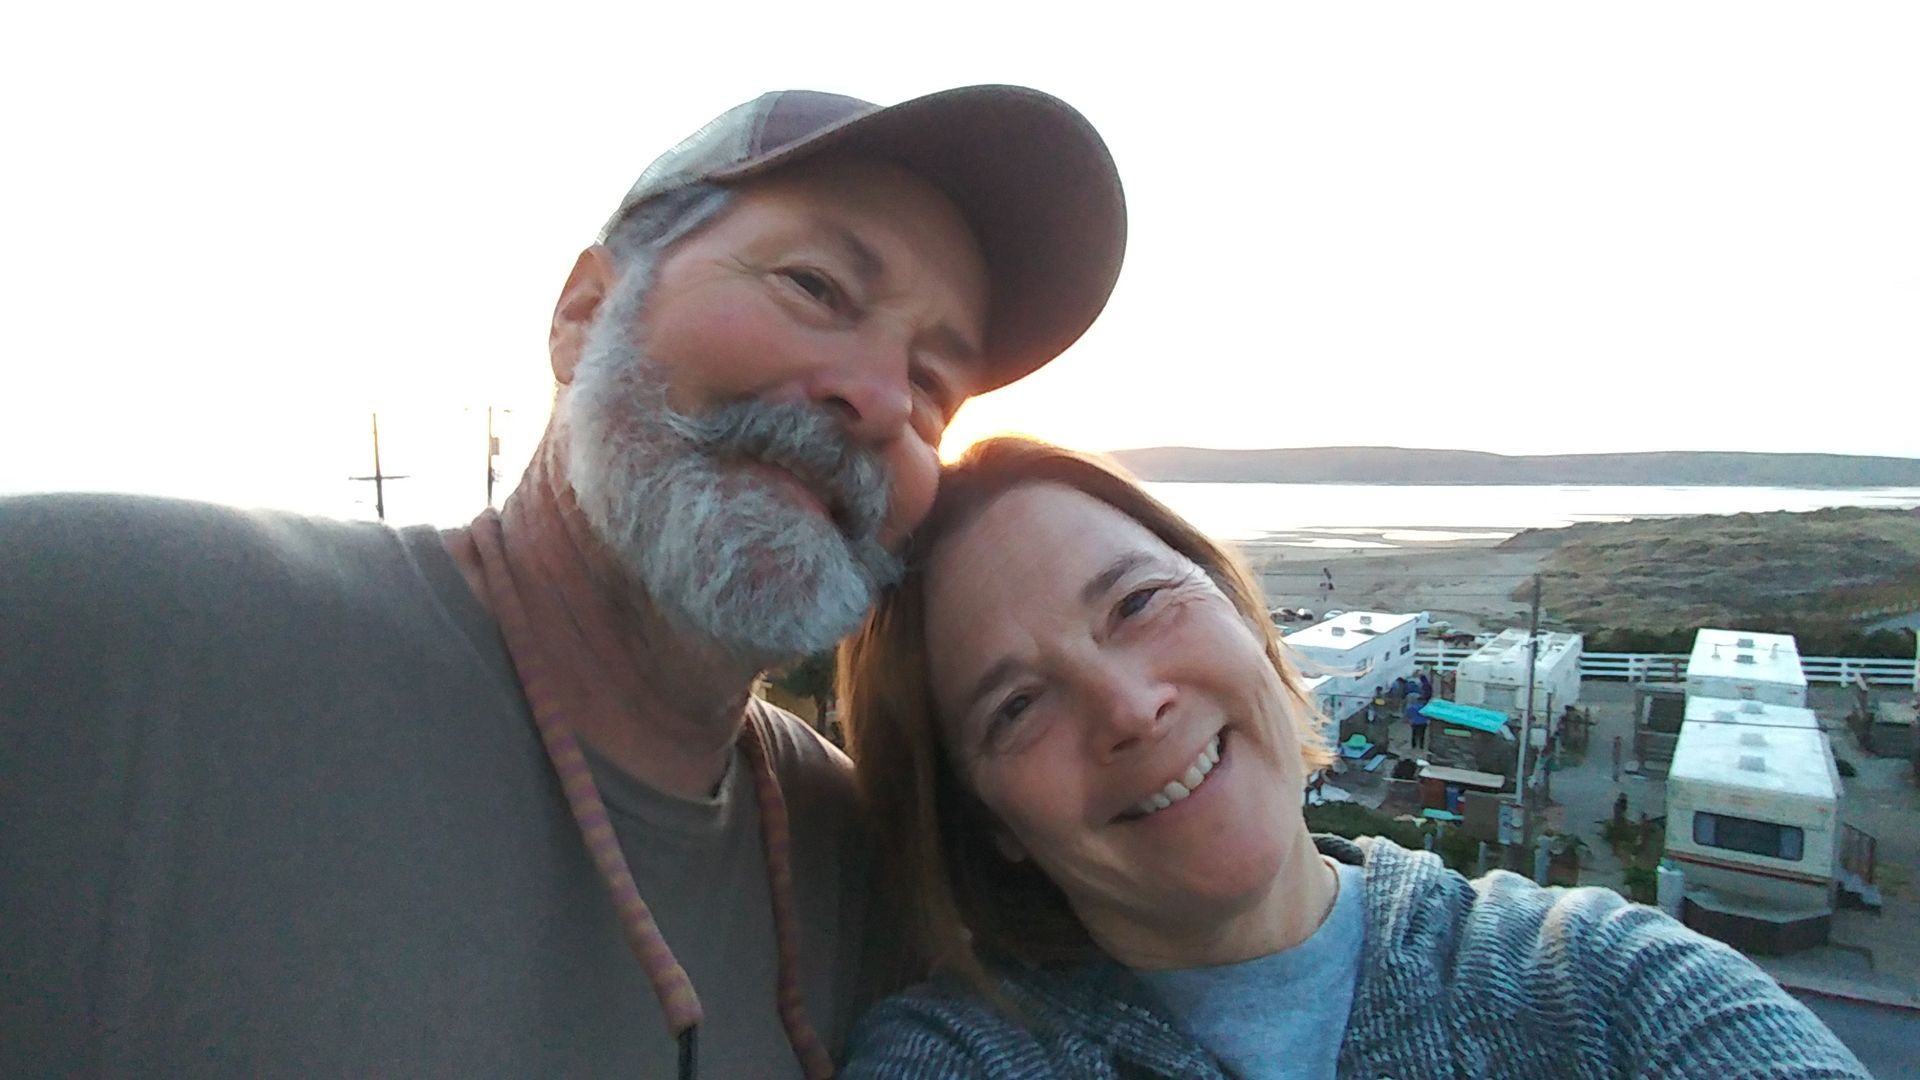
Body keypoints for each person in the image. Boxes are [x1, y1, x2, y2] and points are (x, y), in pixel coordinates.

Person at [0, 89, 1126, 1077]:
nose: (881, 398)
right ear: (586, 314)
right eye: (815, 284)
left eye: (935, 388)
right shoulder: (95, 642)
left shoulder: (866, 862)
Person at [836, 437, 1867, 1079]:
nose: (1130, 707)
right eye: (1016, 706)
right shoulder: (963, 1057)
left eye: (1140, 603)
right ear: (992, 827)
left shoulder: (1601, 988)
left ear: (1245, 617)